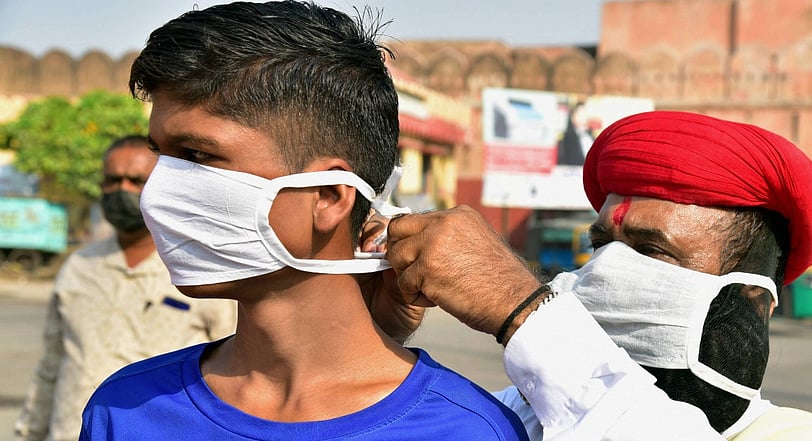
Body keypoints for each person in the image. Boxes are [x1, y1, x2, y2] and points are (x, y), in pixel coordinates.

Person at [79, 2, 527, 440]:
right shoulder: (124, 409)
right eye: (161, 156)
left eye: (196, 155)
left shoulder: (465, 429)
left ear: (329, 196)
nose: (158, 191)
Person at [378, 111, 812, 440]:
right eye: (602, 245)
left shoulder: (804, 435)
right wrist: (379, 347)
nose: (606, 270)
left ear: (752, 302)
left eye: (651, 250)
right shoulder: (516, 412)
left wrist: (521, 310)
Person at [15, 136, 237, 441]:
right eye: (113, 181)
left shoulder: (198, 270)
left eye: (136, 181)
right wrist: (29, 432)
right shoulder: (79, 266)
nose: (122, 191)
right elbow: (51, 365)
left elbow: (234, 371)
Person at [555, 102, 592, 166]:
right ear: (572, 117)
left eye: (585, 114)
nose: (584, 118)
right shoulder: (566, 138)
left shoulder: (591, 136)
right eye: (581, 115)